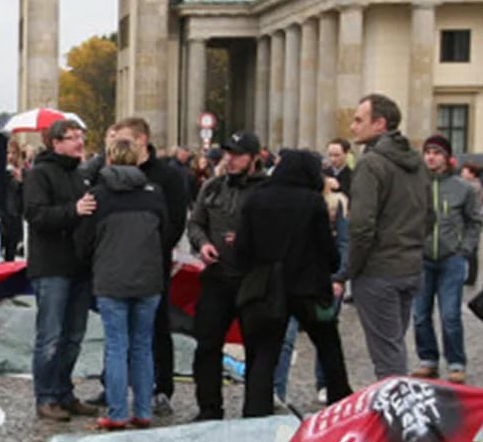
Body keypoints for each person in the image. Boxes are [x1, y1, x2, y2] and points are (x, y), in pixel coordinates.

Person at [235, 150, 354, 414]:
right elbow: (326, 247)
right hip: (308, 288)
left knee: (264, 353)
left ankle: (256, 411)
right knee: (328, 347)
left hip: (267, 288)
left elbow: (242, 247)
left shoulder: (256, 199)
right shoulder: (312, 201)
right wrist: (333, 267)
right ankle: (341, 403)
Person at [73, 135, 169, 430]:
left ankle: (116, 412)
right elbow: (165, 234)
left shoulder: (99, 196)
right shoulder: (154, 194)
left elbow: (84, 240)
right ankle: (142, 410)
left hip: (111, 278)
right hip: (148, 279)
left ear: (109, 159)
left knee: (116, 346)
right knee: (142, 345)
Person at [345, 94, 431, 379]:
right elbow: (428, 215)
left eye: (359, 120)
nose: (353, 126)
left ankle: (395, 418)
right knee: (393, 346)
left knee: (388, 357)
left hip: (379, 270)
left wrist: (350, 269)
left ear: (380, 124)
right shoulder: (416, 162)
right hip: (410, 267)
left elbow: (361, 225)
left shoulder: (371, 163)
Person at [185, 131, 264, 421]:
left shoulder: (266, 190)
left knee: (257, 349)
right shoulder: (213, 187)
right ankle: (209, 408)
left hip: (252, 280)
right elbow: (195, 223)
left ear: (255, 158)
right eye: (228, 153)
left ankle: (255, 411)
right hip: (217, 278)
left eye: (238, 155)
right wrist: (202, 243)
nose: (230, 160)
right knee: (206, 345)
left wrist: (246, 240)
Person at [114, 117, 190, 414]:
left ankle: (162, 387)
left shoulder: (167, 176)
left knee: (158, 326)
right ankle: (115, 386)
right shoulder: (112, 173)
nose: (117, 145)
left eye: (124, 140)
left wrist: (155, 250)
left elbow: (174, 220)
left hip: (153, 261)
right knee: (118, 329)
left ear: (141, 140)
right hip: (119, 263)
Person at [23, 118, 96, 422]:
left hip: (79, 267)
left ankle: (64, 393)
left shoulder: (81, 175)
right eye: (72, 137)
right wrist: (73, 211)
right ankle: (46, 397)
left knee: (74, 336)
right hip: (51, 267)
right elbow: (36, 215)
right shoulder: (39, 174)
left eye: (81, 135)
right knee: (50, 337)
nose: (79, 141)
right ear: (56, 143)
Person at [411, 135, 480, 383]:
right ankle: (428, 359)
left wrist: (465, 249)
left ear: (446, 157)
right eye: (427, 152)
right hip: (422, 258)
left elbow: (474, 222)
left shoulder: (463, 188)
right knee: (420, 314)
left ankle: (456, 361)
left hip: (451, 258)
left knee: (450, 314)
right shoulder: (416, 186)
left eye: (436, 152)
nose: (431, 156)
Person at [0, 141, 27, 261]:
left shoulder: (21, 172)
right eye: (7, 153)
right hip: (1, 217)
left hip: (15, 216)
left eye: (13, 153)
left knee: (10, 255)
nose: (10, 156)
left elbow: (24, 198)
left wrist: (21, 183)